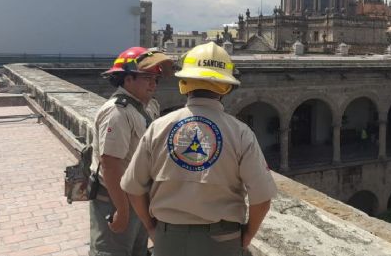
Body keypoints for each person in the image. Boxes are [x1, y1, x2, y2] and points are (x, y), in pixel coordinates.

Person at [121, 42, 277, 256]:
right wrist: (247, 235)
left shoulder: (158, 127)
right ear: (226, 87)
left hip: (168, 239)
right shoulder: (241, 133)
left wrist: (150, 227)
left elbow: (132, 187)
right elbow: (262, 198)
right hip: (223, 240)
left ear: (184, 83)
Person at [89, 47, 173, 256]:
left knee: (137, 250)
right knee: (113, 250)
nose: (153, 84)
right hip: (116, 198)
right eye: (147, 77)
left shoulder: (147, 106)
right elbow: (110, 163)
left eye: (156, 79)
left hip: (138, 197)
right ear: (127, 79)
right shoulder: (117, 112)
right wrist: (122, 210)